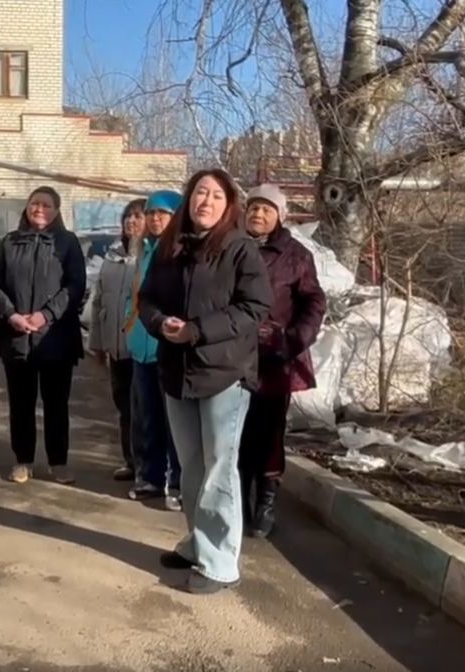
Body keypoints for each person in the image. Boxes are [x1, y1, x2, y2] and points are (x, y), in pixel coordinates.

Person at [137, 168, 272, 594]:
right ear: (188, 199)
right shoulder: (170, 248)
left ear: (228, 204)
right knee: (191, 468)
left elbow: (255, 307)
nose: (206, 202)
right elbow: (147, 299)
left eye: (216, 195)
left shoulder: (239, 249)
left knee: (219, 469)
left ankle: (220, 564)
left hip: (224, 374)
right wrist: (160, 324)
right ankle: (198, 543)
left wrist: (197, 330)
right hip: (177, 371)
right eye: (199, 193)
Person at [238, 185, 325, 538]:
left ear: (280, 216)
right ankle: (238, 501)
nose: (258, 215)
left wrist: (292, 340)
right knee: (236, 434)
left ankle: (266, 503)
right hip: (232, 359)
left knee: (270, 434)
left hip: (275, 361)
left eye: (266, 209)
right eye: (253, 208)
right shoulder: (233, 247)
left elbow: (314, 303)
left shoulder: (296, 255)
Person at [0, 186, 87, 485]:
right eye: (35, 204)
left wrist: (46, 314)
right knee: (21, 404)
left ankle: (59, 462)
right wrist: (12, 315)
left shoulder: (67, 243)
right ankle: (23, 460)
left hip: (56, 338)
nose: (39, 209)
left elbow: (75, 285)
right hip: (18, 337)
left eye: (46, 205)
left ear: (56, 211)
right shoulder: (10, 242)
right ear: (26, 208)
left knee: (56, 405)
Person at [125, 190, 183, 509]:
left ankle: (176, 482)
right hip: (141, 349)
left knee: (175, 421)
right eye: (151, 213)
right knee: (147, 417)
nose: (155, 219)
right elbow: (134, 299)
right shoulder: (145, 249)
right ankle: (150, 476)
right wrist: (128, 329)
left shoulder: (179, 251)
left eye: (163, 213)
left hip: (169, 348)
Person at [87, 198, 144, 481]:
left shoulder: (152, 256)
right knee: (124, 407)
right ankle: (131, 462)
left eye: (138, 216)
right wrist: (96, 344)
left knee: (145, 410)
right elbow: (99, 303)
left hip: (143, 350)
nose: (131, 221)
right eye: (128, 216)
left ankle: (150, 469)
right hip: (117, 349)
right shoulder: (112, 257)